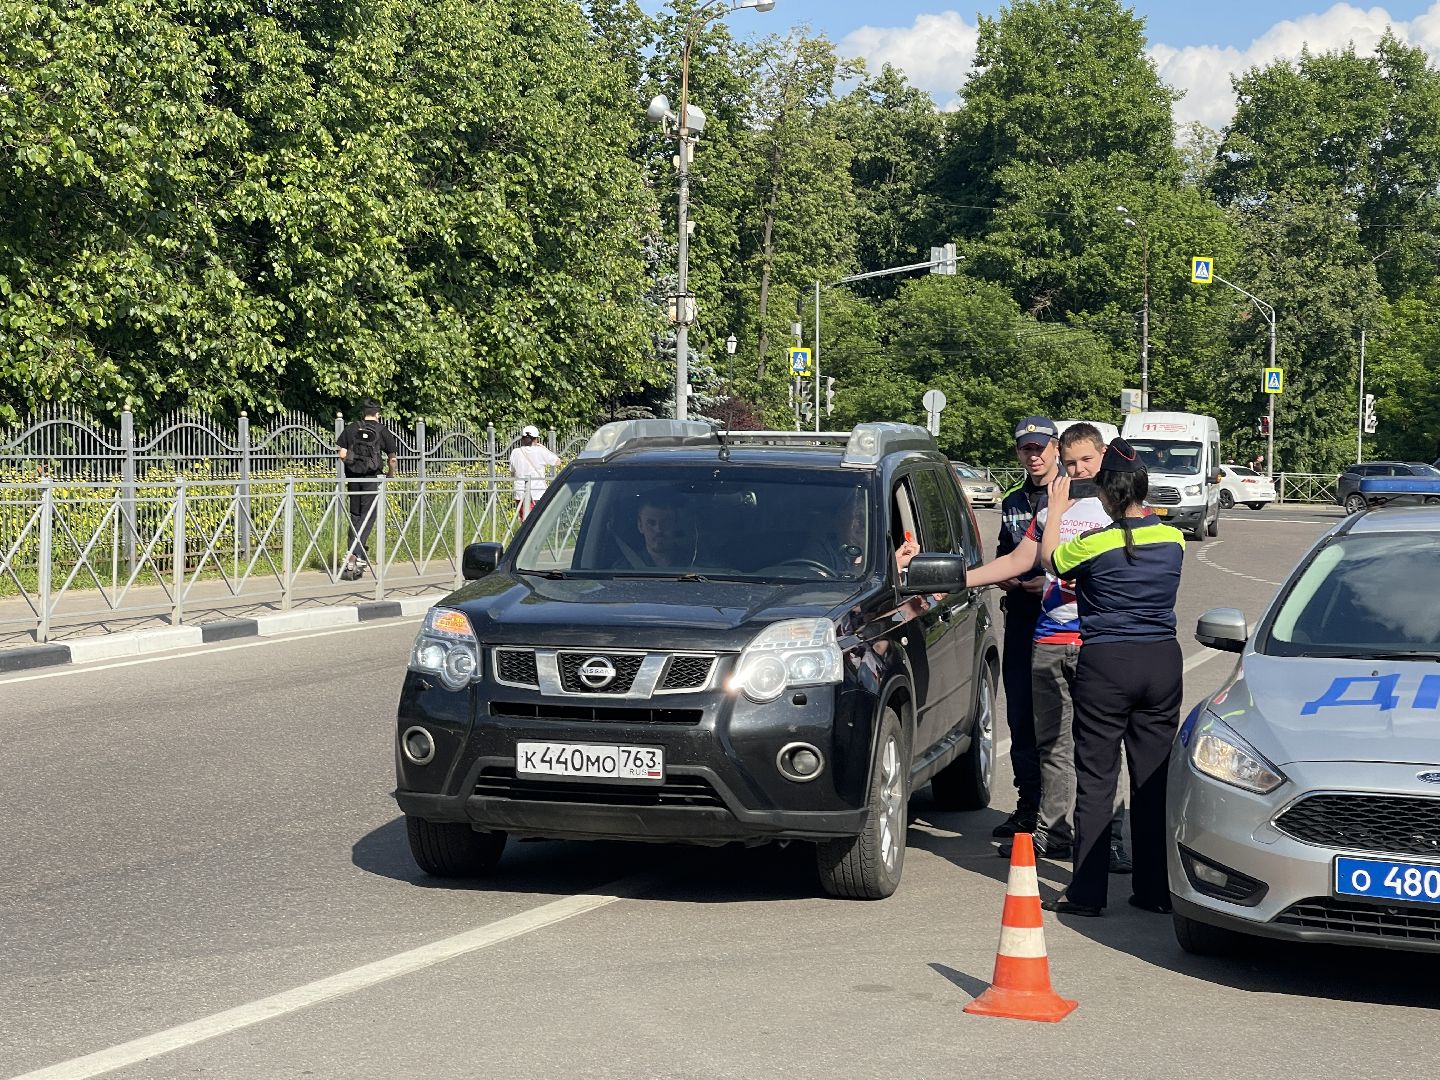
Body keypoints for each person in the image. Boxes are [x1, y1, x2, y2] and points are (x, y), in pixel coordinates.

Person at [961, 424, 1129, 869]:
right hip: (1049, 637)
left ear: (1103, 456)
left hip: (1098, 639)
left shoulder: (1116, 509)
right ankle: (1054, 832)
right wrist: (952, 580)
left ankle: (1106, 837)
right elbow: (1018, 560)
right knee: (1052, 743)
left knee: (1096, 746)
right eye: (1072, 463)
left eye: (1086, 461)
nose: (1079, 470)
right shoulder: (1047, 508)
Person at [1037, 438, 1185, 917]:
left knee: (1098, 779)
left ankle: (1086, 893)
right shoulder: (1174, 539)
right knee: (1152, 779)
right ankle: (1155, 890)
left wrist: (1057, 509)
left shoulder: (1093, 543)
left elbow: (1050, 562)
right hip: (1162, 661)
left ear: (1106, 495)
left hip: (1106, 664)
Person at [989, 415, 1060, 839]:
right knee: (1021, 716)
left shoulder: (1073, 496)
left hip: (1061, 620)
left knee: (1062, 720)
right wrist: (1007, 576)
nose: (1033, 455)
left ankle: (1059, 811)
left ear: (1055, 448)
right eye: (1025, 449)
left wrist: (1046, 581)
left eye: (1039, 447)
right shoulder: (1014, 500)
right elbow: (1004, 552)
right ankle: (1027, 805)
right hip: (1020, 617)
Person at [336, 397, 398, 580]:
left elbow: (342, 453)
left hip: (353, 477)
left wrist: (353, 463)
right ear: (378, 413)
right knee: (368, 516)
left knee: (355, 515)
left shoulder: (352, 428)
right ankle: (353, 554)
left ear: (362, 412)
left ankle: (354, 559)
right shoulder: (382, 430)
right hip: (371, 478)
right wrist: (390, 474)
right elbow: (392, 459)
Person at [510, 425, 560, 520]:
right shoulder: (540, 451)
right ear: (536, 439)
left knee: (524, 522)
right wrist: (543, 447)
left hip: (520, 492)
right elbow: (557, 461)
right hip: (537, 492)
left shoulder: (515, 452)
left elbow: (512, 472)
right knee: (537, 522)